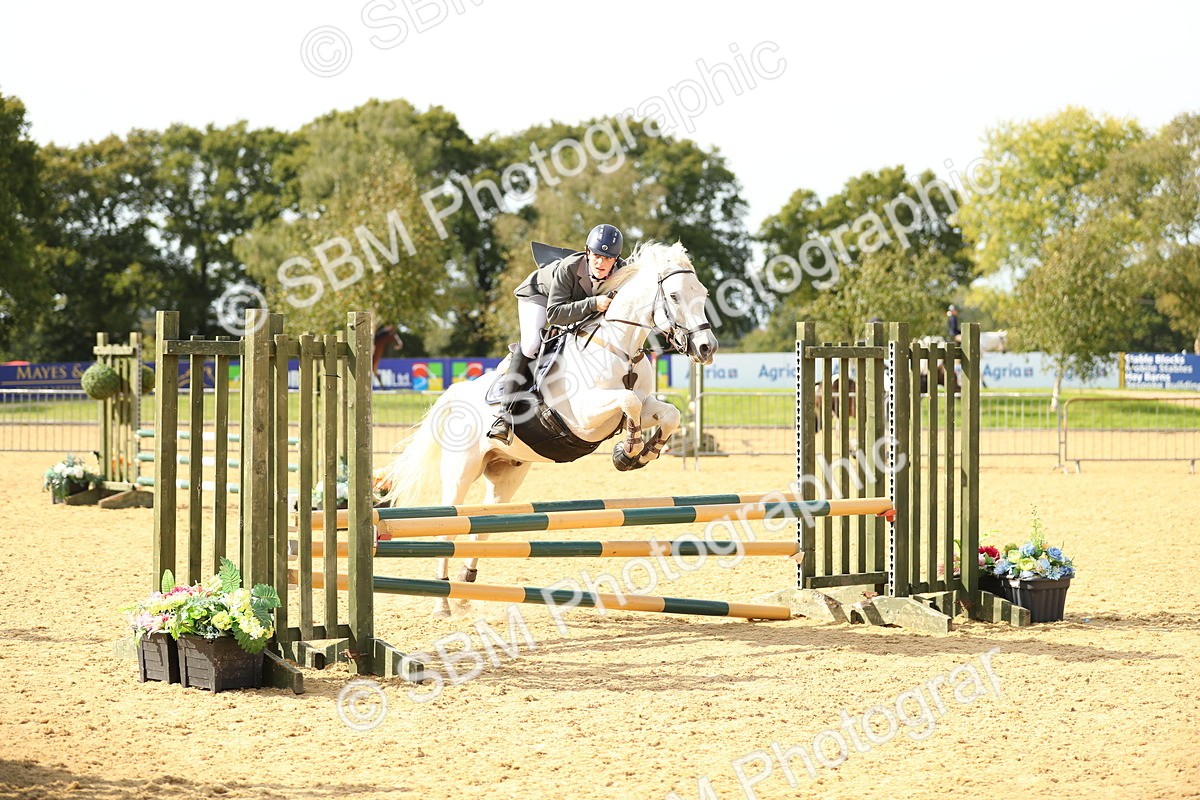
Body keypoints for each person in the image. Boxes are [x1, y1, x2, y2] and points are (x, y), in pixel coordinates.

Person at [486, 224, 626, 444]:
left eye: (608, 258)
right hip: (540, 296)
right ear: (588, 252)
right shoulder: (569, 268)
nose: (601, 263)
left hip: (574, 304)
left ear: (616, 259)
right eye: (597, 255)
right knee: (532, 343)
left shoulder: (621, 272)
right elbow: (555, 314)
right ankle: (504, 415)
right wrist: (593, 304)